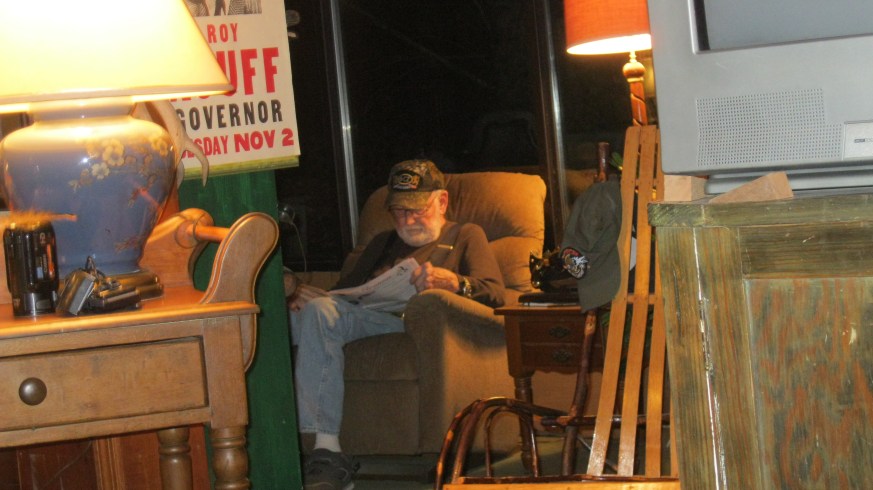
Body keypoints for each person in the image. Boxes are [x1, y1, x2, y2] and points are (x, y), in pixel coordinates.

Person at [286, 159, 505, 490]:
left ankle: (325, 450)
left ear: (442, 201)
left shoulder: (464, 235)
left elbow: (496, 293)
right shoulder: (382, 243)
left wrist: (455, 282)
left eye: (417, 209)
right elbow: (344, 294)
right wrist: (304, 297)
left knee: (319, 313)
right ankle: (291, 441)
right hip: (368, 318)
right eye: (399, 211)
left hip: (417, 325)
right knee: (299, 314)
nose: (408, 219)